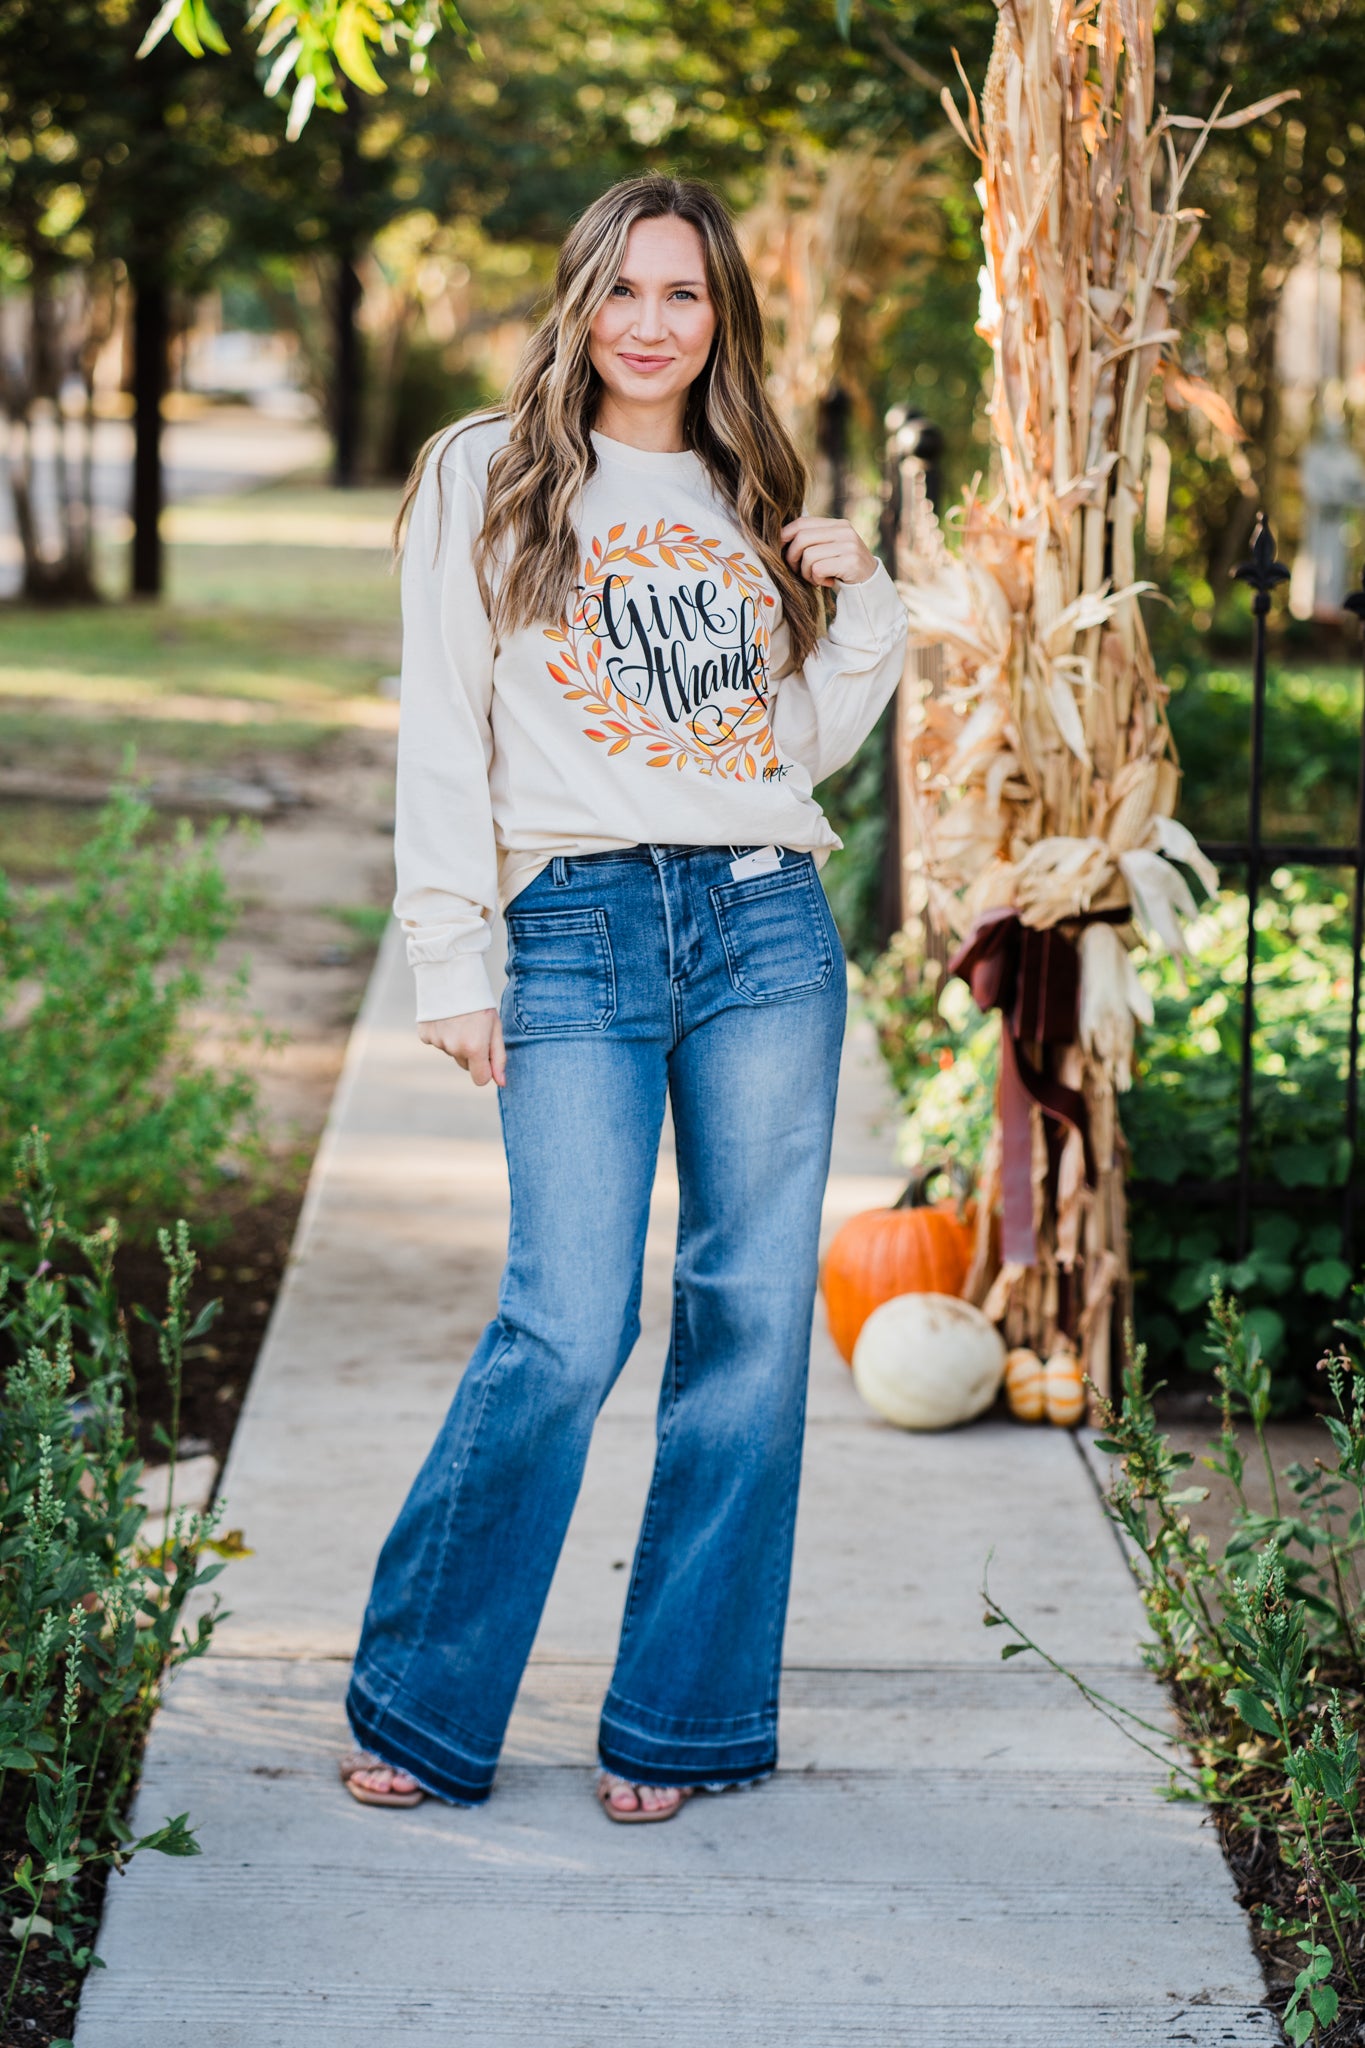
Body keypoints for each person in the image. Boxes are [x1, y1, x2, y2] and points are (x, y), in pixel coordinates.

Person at [340, 173, 908, 1825]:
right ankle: (424, 1699)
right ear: (578, 300)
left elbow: (783, 752)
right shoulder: (489, 472)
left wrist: (857, 601)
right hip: (575, 926)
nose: (650, 324)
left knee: (746, 1330)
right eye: (623, 290)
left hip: (760, 925)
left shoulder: (750, 485)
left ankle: (683, 1719)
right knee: (568, 1318)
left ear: (720, 314)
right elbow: (445, 733)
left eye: (685, 296)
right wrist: (454, 956)